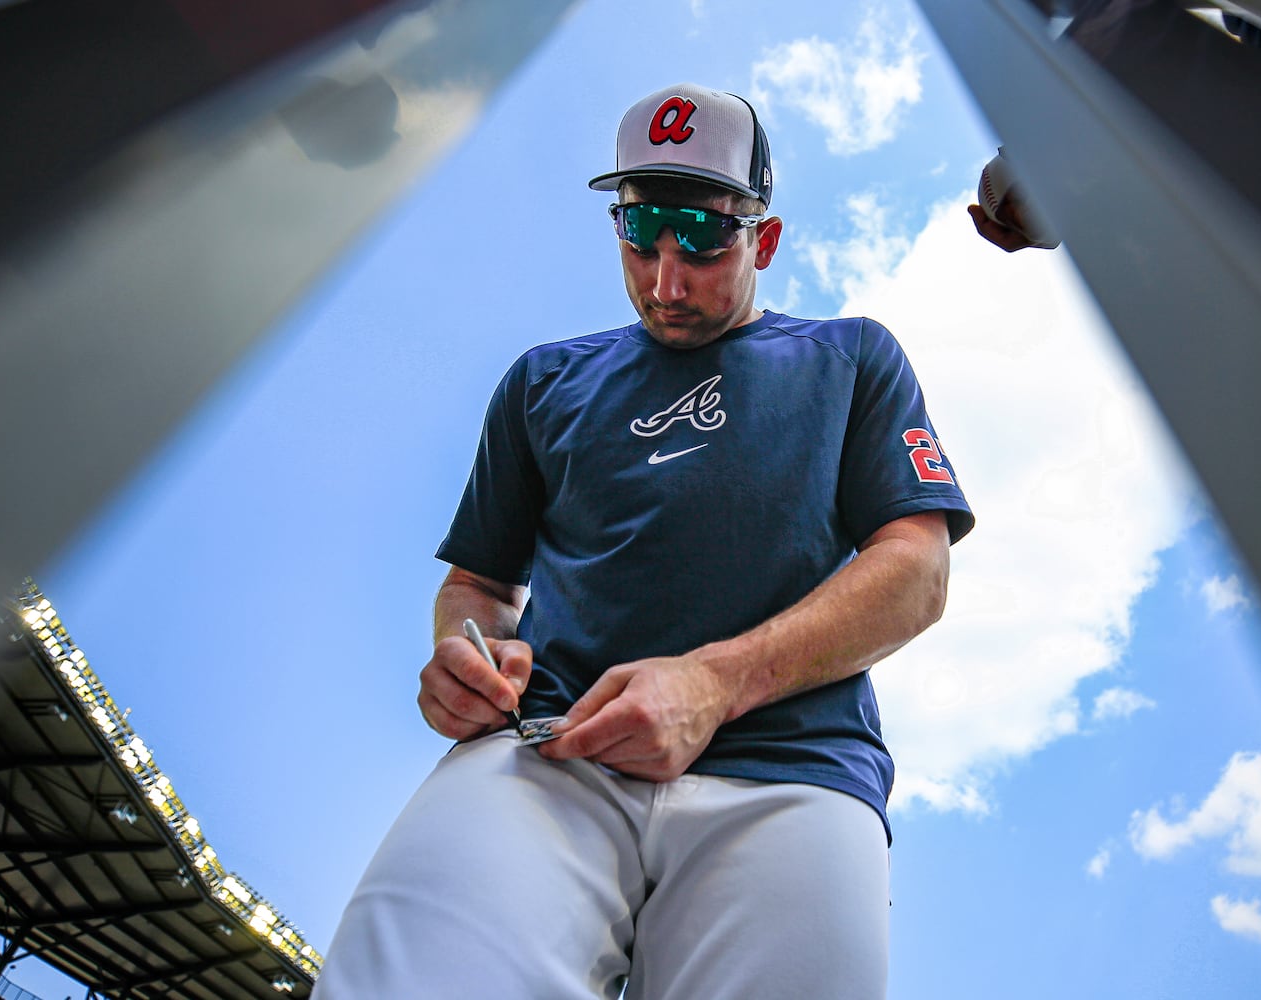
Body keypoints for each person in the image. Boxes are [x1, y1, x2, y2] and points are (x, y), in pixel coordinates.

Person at [313, 82, 974, 999]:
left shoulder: (852, 355)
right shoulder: (544, 381)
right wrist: (460, 656)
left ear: (765, 239)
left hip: (791, 771)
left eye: (703, 239)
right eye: (641, 232)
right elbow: (479, 584)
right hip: (550, 751)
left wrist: (713, 682)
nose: (666, 279)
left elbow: (917, 570)